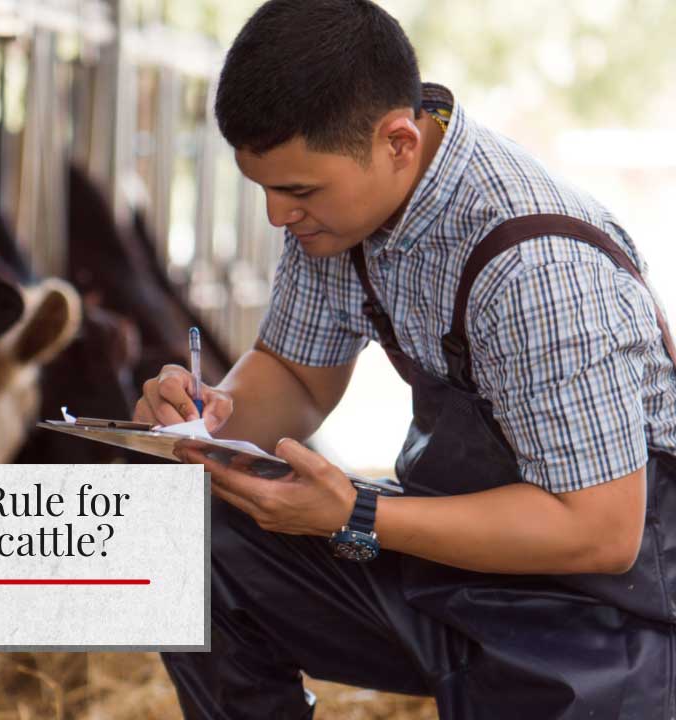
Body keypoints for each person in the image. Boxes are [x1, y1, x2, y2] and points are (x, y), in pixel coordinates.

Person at [134, 1, 676, 718]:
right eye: (264, 187)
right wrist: (203, 428)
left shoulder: (536, 264)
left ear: (397, 142)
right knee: (193, 544)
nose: (276, 217)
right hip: (450, 564)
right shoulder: (342, 214)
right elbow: (296, 377)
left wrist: (357, 514)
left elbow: (601, 531)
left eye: (297, 191)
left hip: (602, 612)